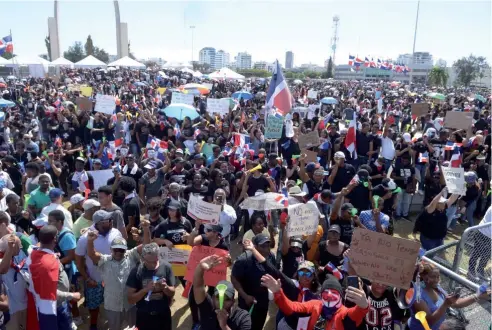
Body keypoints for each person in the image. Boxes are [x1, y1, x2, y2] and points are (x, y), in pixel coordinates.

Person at [86, 219, 151, 330]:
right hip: (112, 306)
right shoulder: (104, 260)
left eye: (121, 250)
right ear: (111, 249)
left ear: (125, 250)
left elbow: (146, 246)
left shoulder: (131, 255)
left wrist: (146, 229)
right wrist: (90, 241)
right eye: (116, 250)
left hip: (130, 304)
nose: (118, 252)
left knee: (132, 328)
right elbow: (92, 254)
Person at [261, 273, 369, 330]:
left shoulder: (343, 313)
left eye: (334, 292)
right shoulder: (315, 305)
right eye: (326, 291)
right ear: (321, 295)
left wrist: (363, 306)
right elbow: (291, 308)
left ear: (341, 296)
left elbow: (356, 313)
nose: (329, 295)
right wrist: (278, 292)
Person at [27, 225, 81, 330]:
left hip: (58, 302)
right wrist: (71, 295)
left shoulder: (36, 253)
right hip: (56, 306)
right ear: (55, 239)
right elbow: (48, 291)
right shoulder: (47, 263)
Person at [75, 210, 122, 330]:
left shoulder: (116, 233)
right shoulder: (85, 238)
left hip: (113, 278)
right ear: (98, 223)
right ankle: (94, 324)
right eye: (107, 221)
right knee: (93, 305)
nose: (111, 223)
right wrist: (87, 278)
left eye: (111, 220)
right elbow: (79, 262)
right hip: (94, 280)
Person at [409, 262, 490, 330]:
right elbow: (429, 321)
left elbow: (456, 303)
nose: (437, 280)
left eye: (438, 276)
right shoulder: (417, 295)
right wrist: (445, 304)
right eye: (433, 277)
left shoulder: (436, 287)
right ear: (424, 277)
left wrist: (478, 295)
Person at [193, 255, 252, 330]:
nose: (222, 302)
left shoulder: (242, 317)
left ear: (233, 301)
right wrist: (200, 267)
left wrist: (224, 326)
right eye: (218, 297)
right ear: (213, 298)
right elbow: (198, 287)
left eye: (227, 299)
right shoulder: (207, 309)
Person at [126, 242, 176, 330]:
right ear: (142, 258)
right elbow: (130, 299)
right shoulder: (136, 271)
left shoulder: (166, 267)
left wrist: (165, 287)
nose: (153, 265)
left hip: (163, 315)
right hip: (144, 316)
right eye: (149, 262)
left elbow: (172, 293)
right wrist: (145, 290)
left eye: (155, 261)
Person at [231, 233, 276, 330]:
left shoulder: (271, 257)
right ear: (254, 247)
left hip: (263, 301)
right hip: (246, 302)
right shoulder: (244, 260)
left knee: (258, 325)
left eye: (268, 245)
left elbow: (274, 274)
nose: (267, 248)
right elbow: (234, 279)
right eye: (263, 246)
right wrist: (245, 296)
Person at [0, 234, 28, 330]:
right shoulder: (2, 260)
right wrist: (10, 249)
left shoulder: (18, 255)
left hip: (23, 303)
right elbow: (2, 269)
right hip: (10, 310)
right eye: (19, 246)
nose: (21, 248)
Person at [468, 206, 491, 280]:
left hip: (489, 236)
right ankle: (471, 270)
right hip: (482, 233)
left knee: (486, 255)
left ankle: (480, 270)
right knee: (477, 253)